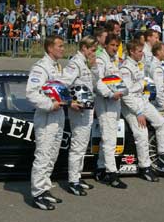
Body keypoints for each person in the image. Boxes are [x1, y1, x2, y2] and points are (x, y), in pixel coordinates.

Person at [120, 40, 164, 181]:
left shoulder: (139, 64)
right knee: (142, 133)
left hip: (142, 100)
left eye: (142, 51)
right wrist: (138, 112)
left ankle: (163, 156)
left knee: (162, 123)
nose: (142, 53)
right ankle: (145, 167)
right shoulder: (125, 69)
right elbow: (126, 94)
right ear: (131, 52)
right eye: (139, 51)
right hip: (130, 105)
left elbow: (142, 86)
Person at [26, 35, 66, 210]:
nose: (63, 49)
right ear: (50, 48)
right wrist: (50, 105)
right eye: (60, 46)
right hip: (46, 116)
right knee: (43, 156)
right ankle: (37, 194)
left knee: (52, 155)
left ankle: (45, 188)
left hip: (58, 116)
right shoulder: (40, 68)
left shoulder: (57, 66)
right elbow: (31, 93)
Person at [60, 36, 98, 196]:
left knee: (82, 146)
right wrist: (70, 102)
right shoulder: (75, 63)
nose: (93, 53)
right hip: (79, 111)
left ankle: (78, 176)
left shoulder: (84, 63)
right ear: (84, 48)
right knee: (77, 146)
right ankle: (73, 181)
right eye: (92, 49)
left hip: (87, 108)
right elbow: (62, 84)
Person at [93, 33, 127, 189]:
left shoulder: (114, 60)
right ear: (105, 45)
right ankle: (112, 174)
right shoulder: (101, 60)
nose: (114, 48)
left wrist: (121, 91)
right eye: (112, 45)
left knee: (107, 138)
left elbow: (117, 81)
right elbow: (98, 82)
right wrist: (110, 94)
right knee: (109, 140)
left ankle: (100, 168)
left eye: (117, 46)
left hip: (115, 103)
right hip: (105, 103)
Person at [147, 42, 164, 113]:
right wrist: (163, 105)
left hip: (155, 101)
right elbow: (159, 88)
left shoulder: (153, 63)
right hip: (159, 103)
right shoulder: (157, 68)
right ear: (158, 52)